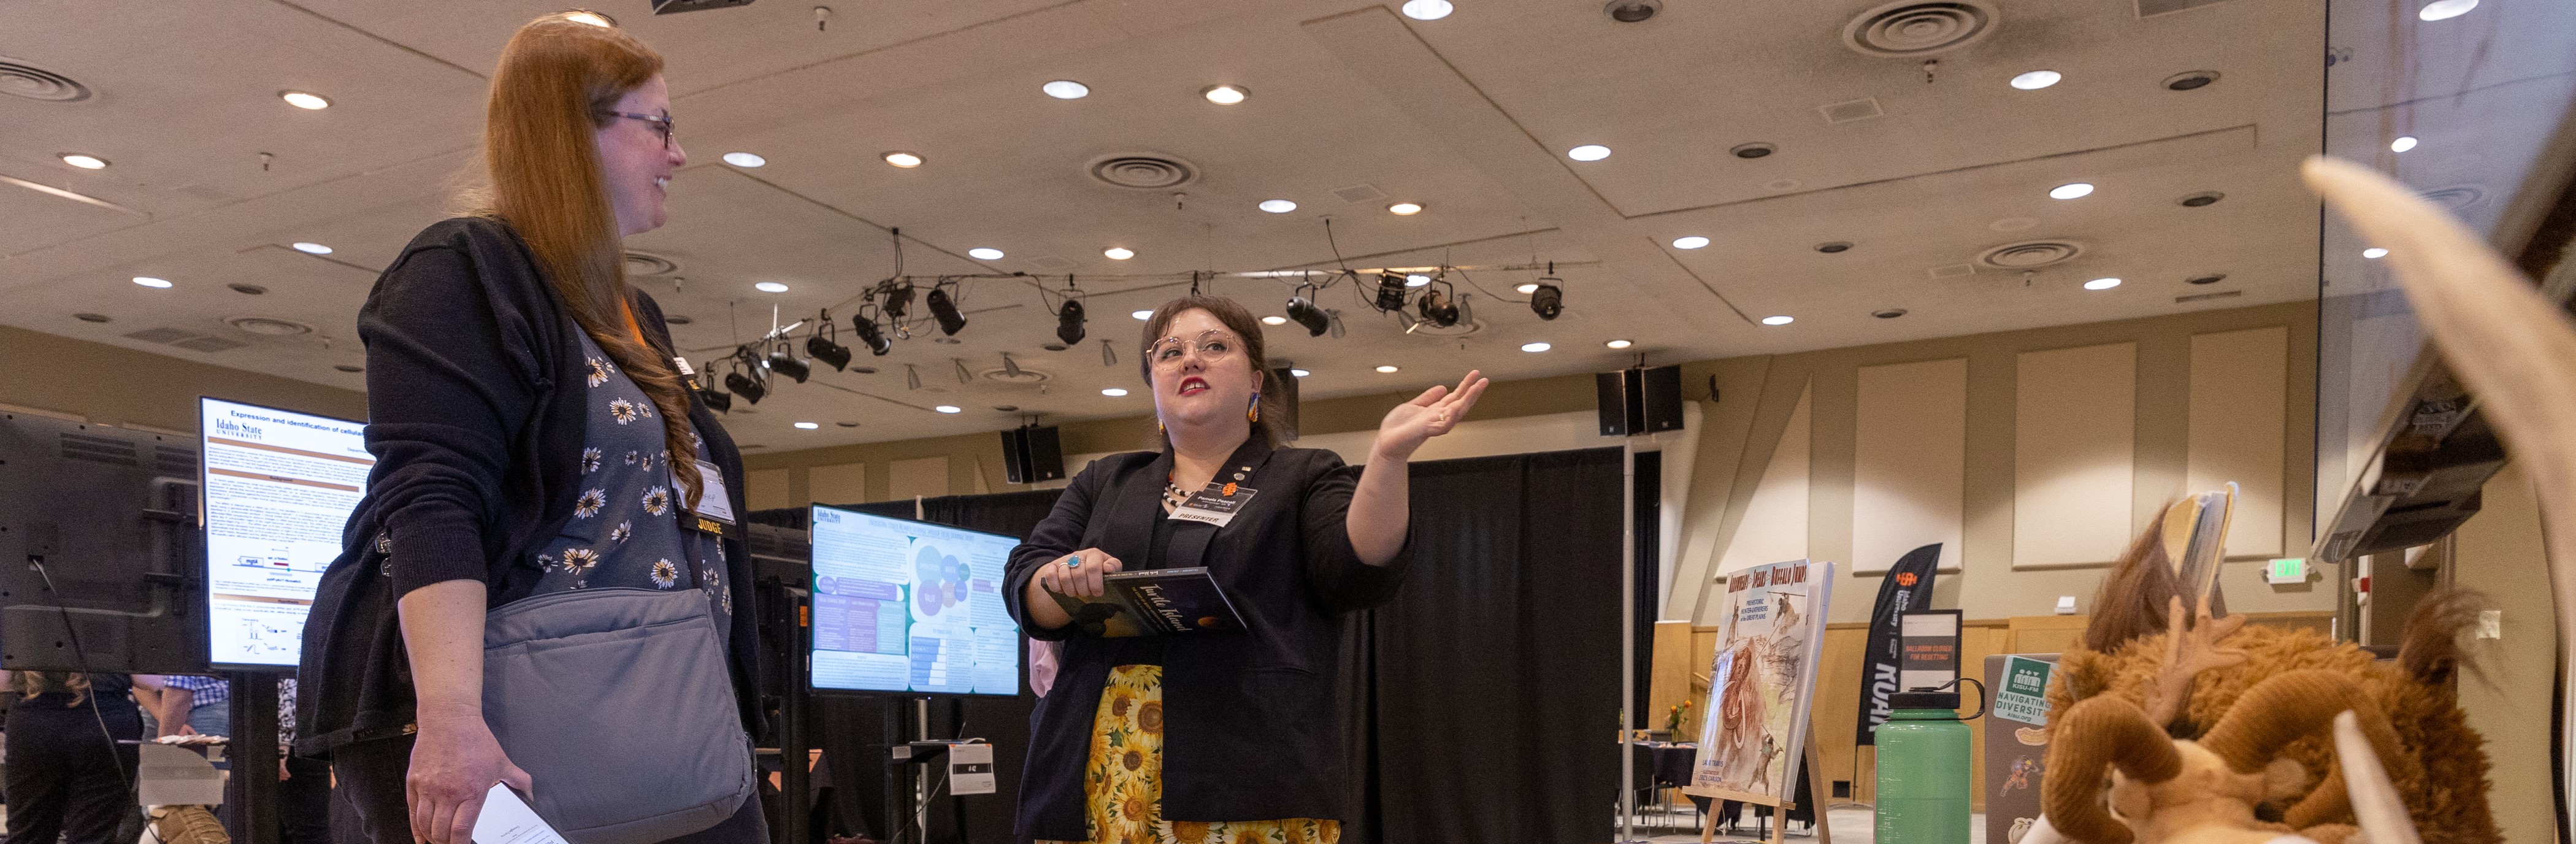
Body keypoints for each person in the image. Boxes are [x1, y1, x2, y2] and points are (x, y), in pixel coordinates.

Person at [293, 12, 762, 844]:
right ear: (570, 136)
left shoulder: (631, 314)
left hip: (656, 715)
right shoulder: (464, 272)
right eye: (659, 126)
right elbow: (432, 499)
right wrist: (448, 720)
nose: (678, 154)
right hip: (508, 731)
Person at [1003, 294, 1488, 844]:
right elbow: (1025, 581)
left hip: (1250, 774)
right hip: (1091, 775)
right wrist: (1063, 576)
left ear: (1257, 381)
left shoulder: (1302, 475)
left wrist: (1388, 459)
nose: (1190, 360)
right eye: (1169, 353)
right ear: (1154, 387)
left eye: (1215, 347)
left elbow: (1359, 568)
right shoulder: (1105, 481)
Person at [2, 671, 159, 844]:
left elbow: (2, 680)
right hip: (105, 722)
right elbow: (152, 682)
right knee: (95, 837)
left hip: (33, 724)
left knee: (27, 836)